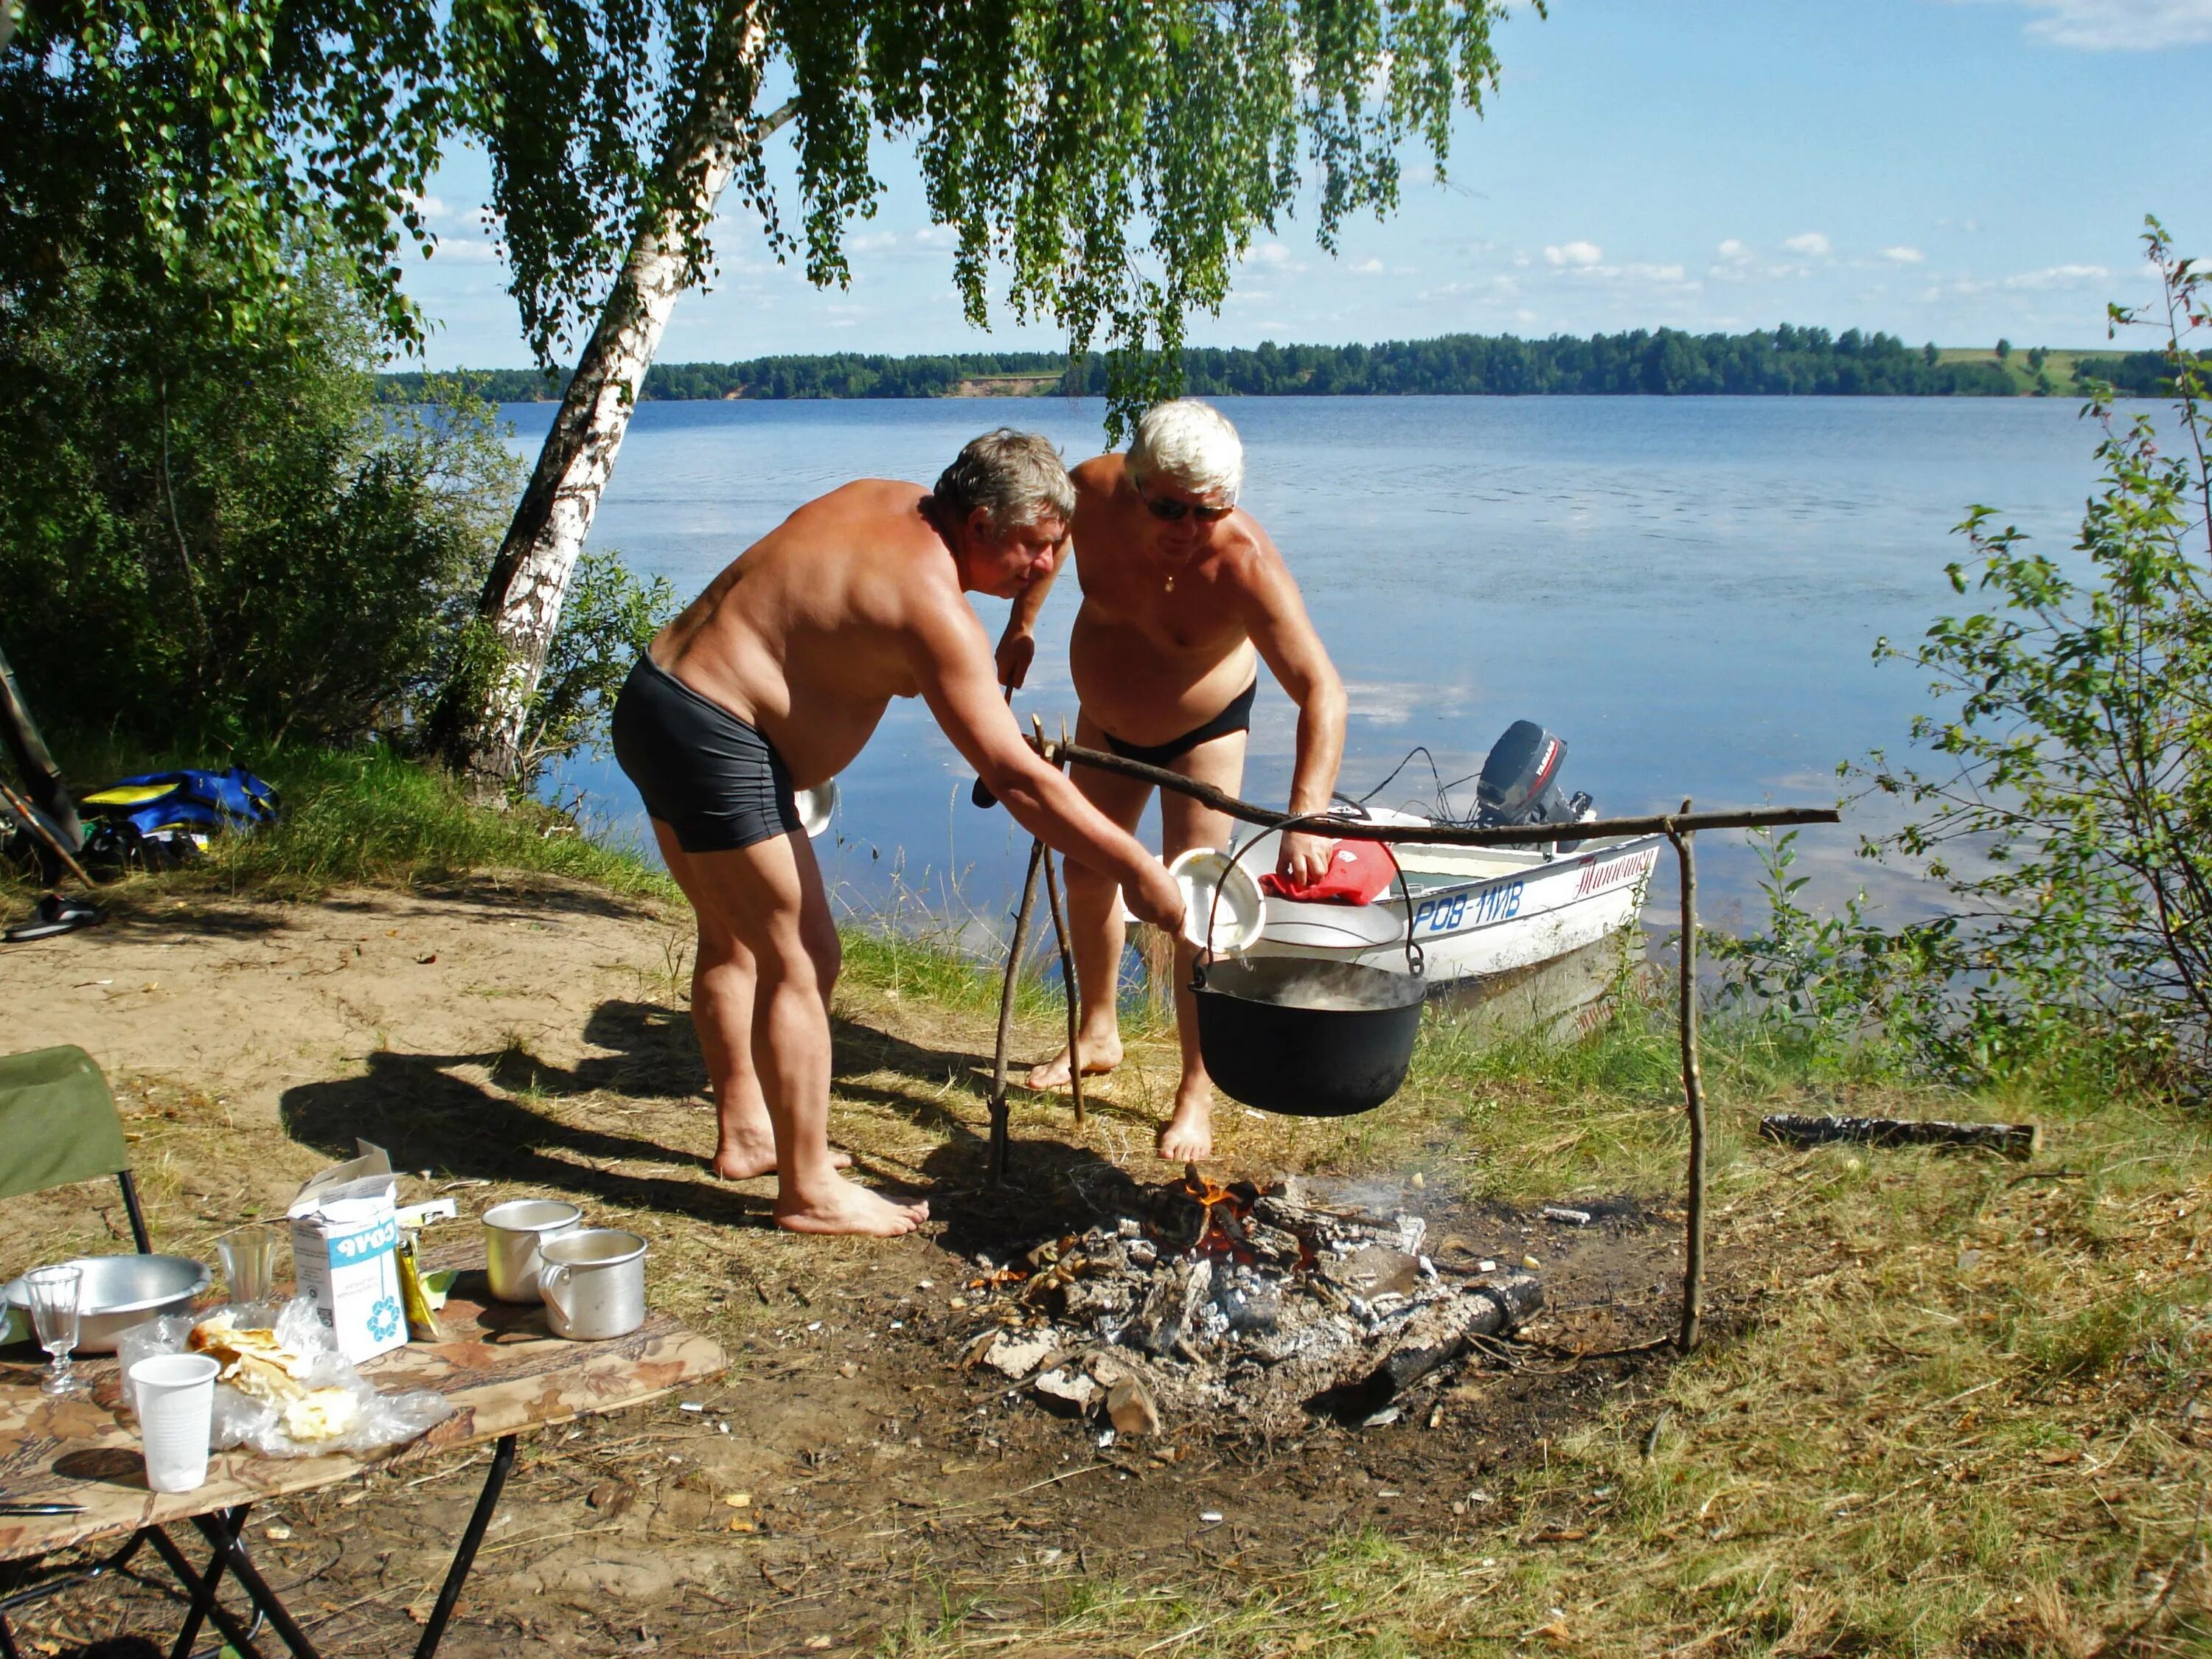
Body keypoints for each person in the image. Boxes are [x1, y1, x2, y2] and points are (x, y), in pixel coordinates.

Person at [611, 430, 1187, 1237]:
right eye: (1034, 545)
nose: (1046, 565)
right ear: (979, 523)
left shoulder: (885, 499)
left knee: (735, 937)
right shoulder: (930, 604)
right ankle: (808, 1189)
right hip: (716, 734)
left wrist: (1007, 664)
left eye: (1059, 546)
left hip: (656, 701)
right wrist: (1134, 863)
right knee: (804, 955)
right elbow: (1017, 781)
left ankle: (748, 1133)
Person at [999, 400, 1347, 1161]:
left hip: (1205, 730)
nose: (1187, 528)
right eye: (1168, 508)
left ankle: (1196, 1086)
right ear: (1134, 479)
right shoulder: (1090, 492)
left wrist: (1308, 814)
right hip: (1105, 722)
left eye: (1208, 511)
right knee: (1087, 875)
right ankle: (1098, 1031)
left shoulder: (1242, 563)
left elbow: (1323, 690)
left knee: (1195, 912)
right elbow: (1047, 547)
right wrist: (1022, 625)